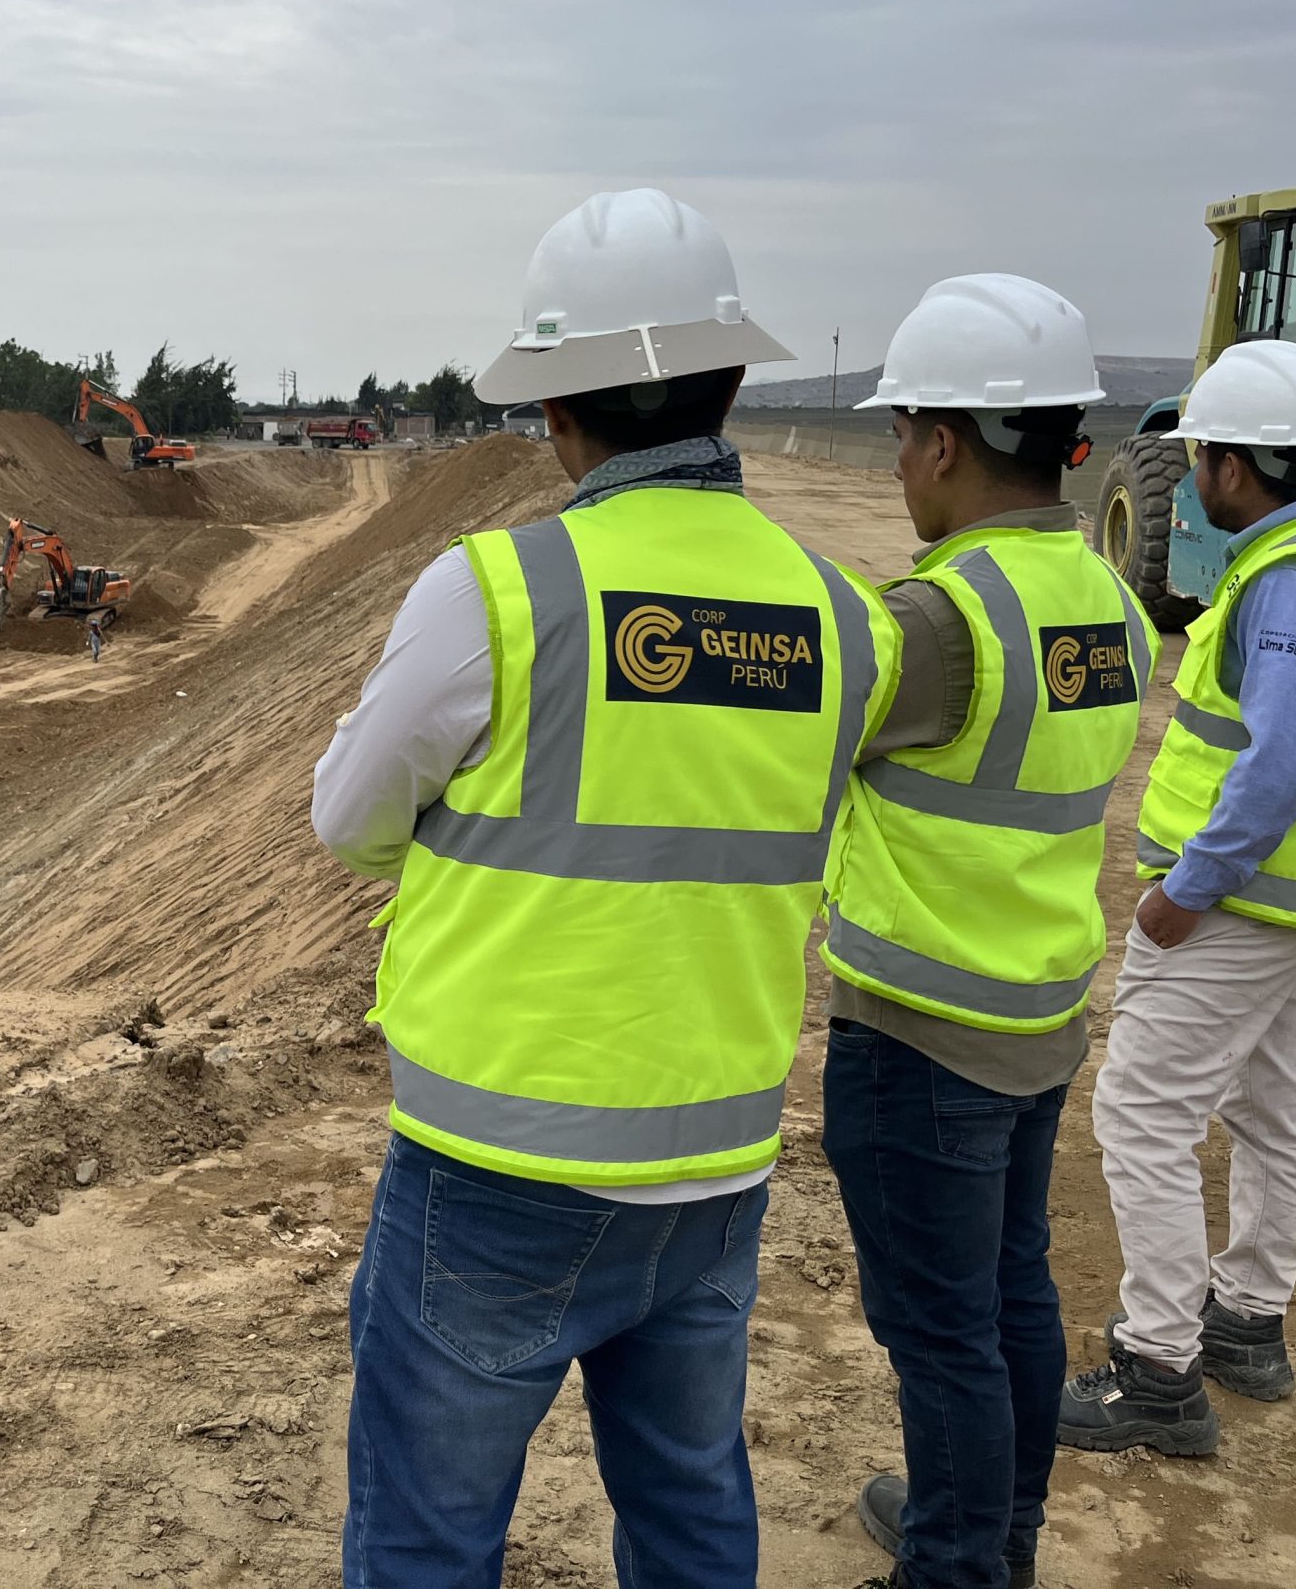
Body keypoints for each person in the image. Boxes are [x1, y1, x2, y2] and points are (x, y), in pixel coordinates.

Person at [312, 188, 894, 1589]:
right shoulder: (844, 617)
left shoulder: (499, 592)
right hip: (712, 1165)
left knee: (427, 1537)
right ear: (734, 381)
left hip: (497, 1165)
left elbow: (349, 817)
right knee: (691, 1513)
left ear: (557, 410)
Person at [818, 278, 1156, 1589]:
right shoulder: (1104, 602)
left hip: (923, 1038)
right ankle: (995, 1540)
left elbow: (801, 729)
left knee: (940, 1333)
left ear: (946, 446)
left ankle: (955, 1566)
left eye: (902, 436)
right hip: (1035, 1014)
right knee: (1012, 1299)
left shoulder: (941, 626)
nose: (898, 461)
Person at [1061, 340, 1296, 1457]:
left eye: (1201, 451)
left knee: (1141, 1113)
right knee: (1270, 1107)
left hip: (1237, 903)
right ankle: (1245, 1320)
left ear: (1235, 466)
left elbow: (1283, 756)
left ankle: (1157, 1366)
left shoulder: (1291, 582)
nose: (1194, 470)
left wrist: (1186, 891)